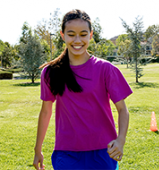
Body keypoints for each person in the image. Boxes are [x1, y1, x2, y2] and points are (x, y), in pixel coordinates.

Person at [33, 9, 132, 170]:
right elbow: (45, 112)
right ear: (62, 35)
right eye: (71, 34)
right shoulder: (51, 72)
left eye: (83, 34)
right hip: (66, 153)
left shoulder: (106, 69)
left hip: (103, 151)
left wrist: (120, 140)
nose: (77, 40)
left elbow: (122, 110)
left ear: (91, 35)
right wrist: (38, 149)